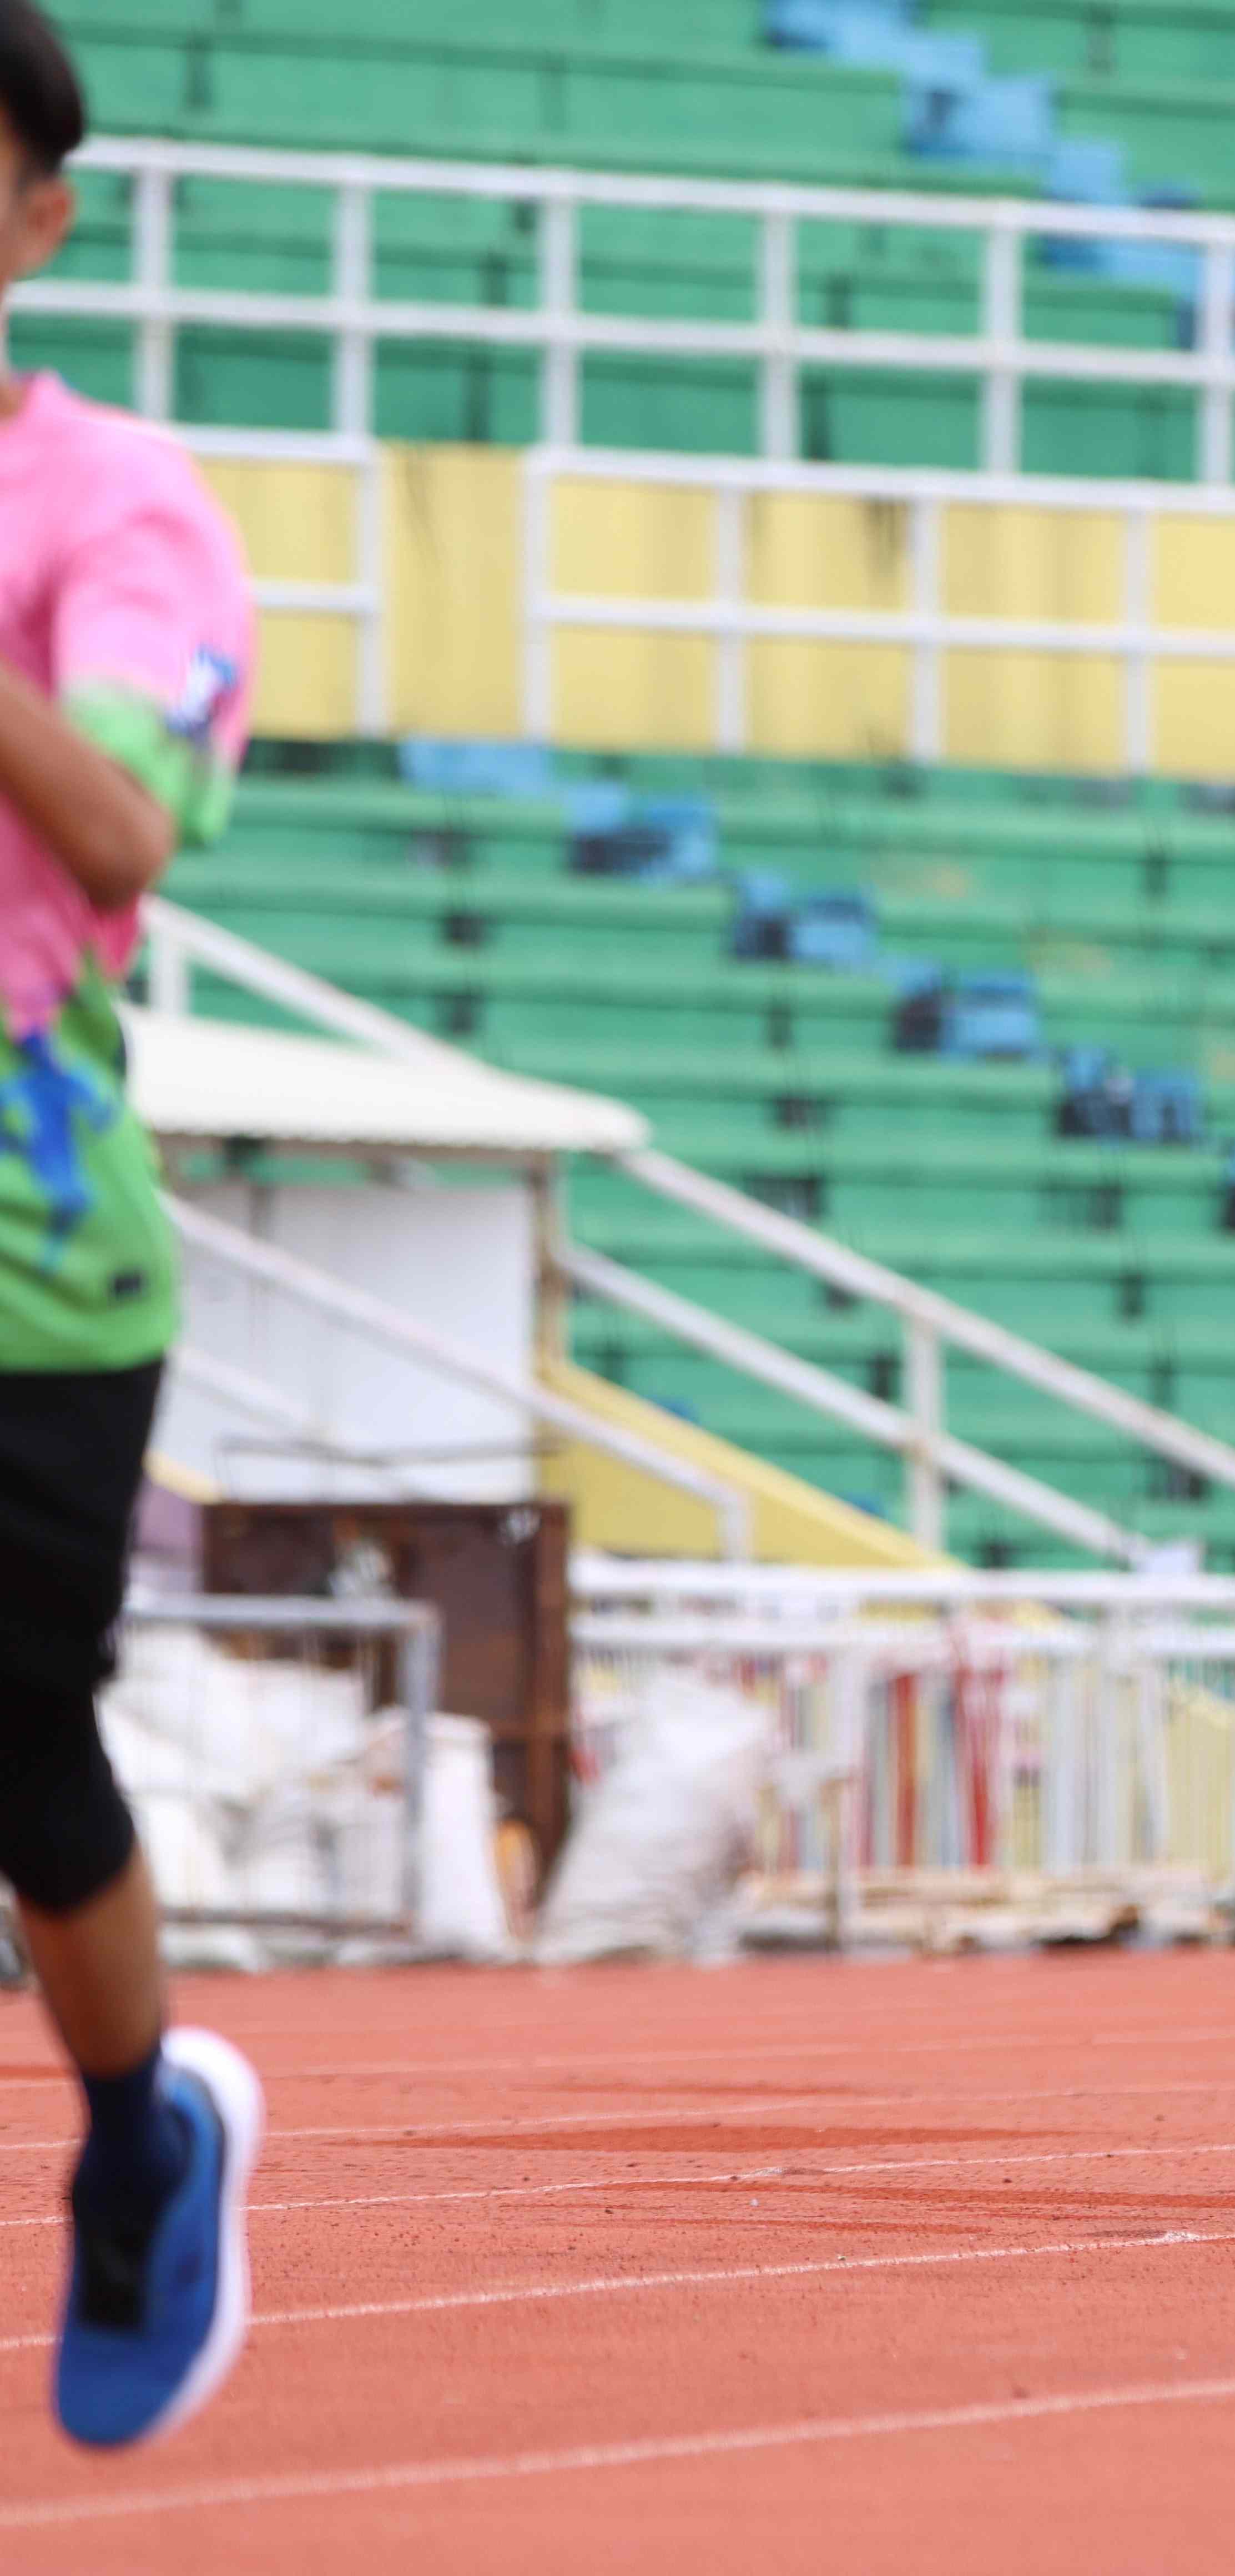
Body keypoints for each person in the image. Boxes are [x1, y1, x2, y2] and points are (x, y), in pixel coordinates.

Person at [0, 0, 270, 2451]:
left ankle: (134, 2132)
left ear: (38, 219)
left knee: (13, 1734)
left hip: (31, 1241)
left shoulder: (114, 508)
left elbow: (120, 831)